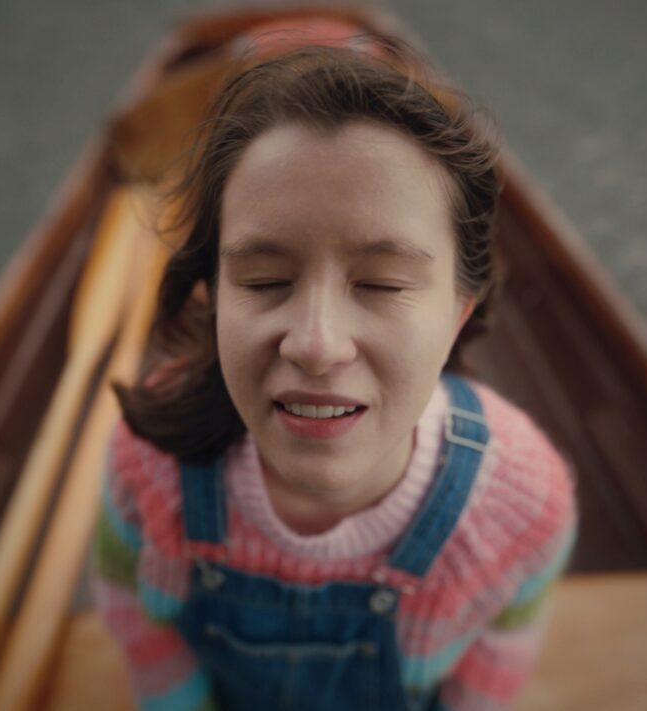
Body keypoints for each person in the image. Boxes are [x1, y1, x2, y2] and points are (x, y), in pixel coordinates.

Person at [92, 39, 578, 711]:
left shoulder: (525, 504)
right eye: (264, 280)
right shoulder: (146, 465)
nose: (317, 345)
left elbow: (492, 671)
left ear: (459, 313)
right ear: (212, 297)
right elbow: (135, 618)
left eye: (380, 283)